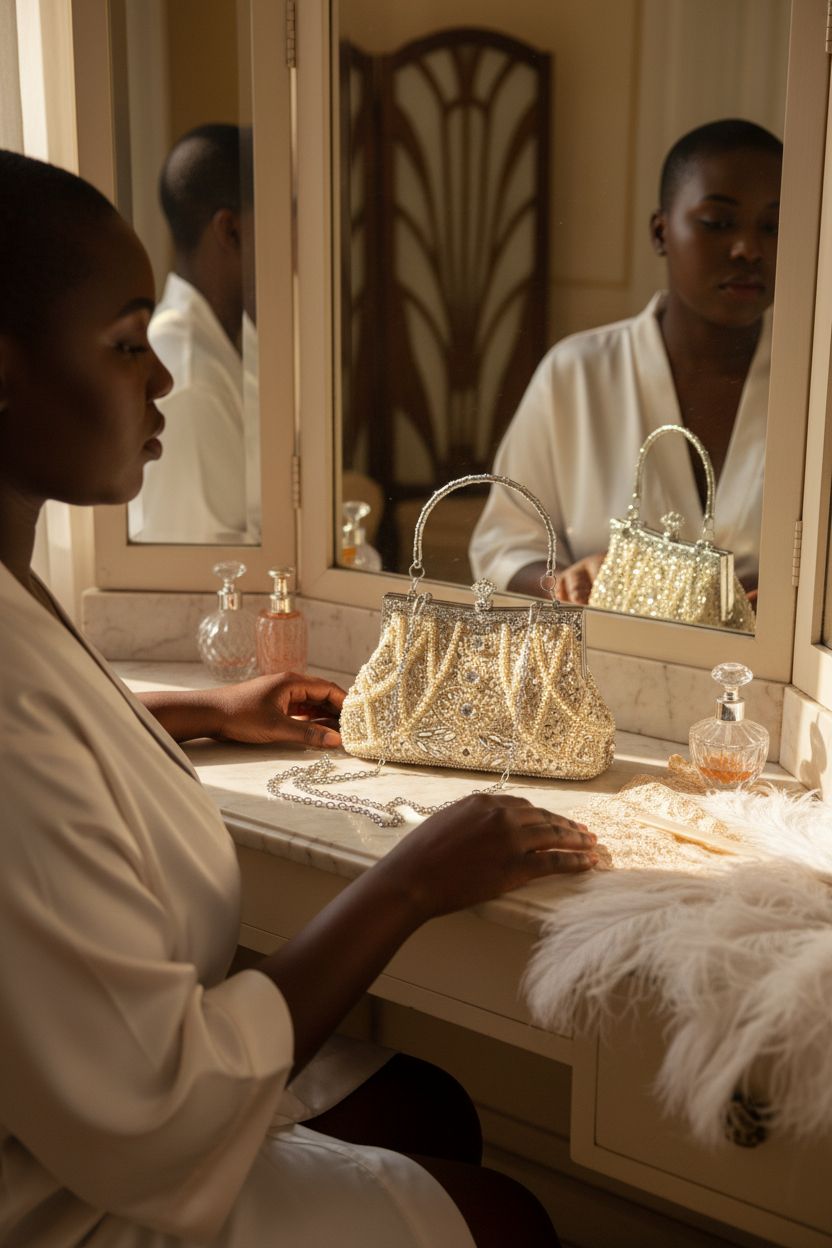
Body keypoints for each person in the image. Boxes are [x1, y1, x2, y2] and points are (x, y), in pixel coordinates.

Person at [0, 151, 600, 1247]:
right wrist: (408, 884)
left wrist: (196, 710)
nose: (162, 380)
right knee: (507, 1219)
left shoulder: (16, 594)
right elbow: (158, 1115)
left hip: (78, 1111)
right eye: (128, 344)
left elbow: (46, 718)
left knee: (428, 1107)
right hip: (79, 1196)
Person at [469, 118, 782, 604]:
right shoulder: (575, 373)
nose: (748, 249)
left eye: (773, 226)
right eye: (718, 223)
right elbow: (502, 546)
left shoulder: (814, 389)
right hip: (603, 667)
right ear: (661, 232)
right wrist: (571, 581)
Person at [129, 123, 260, 544]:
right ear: (231, 231)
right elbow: (202, 577)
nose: (299, 238)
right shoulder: (187, 375)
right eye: (288, 215)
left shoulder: (224, 344)